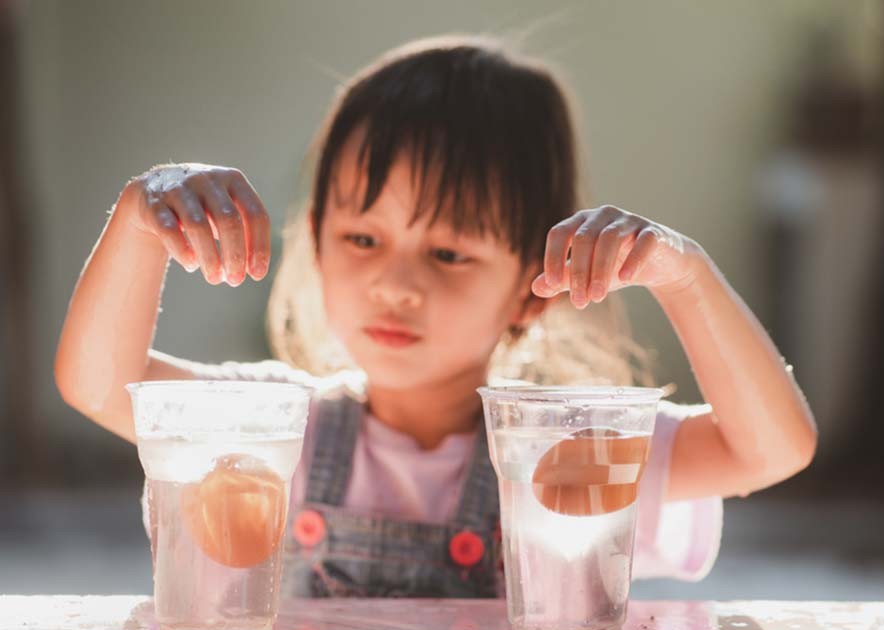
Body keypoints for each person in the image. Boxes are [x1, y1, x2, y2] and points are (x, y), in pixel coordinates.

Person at [55, 35, 817, 597]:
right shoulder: (279, 430)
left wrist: (682, 274)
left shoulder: (568, 459)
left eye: (449, 253)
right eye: (361, 237)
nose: (396, 283)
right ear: (315, 246)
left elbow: (770, 450)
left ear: (533, 287)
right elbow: (100, 385)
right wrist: (136, 222)